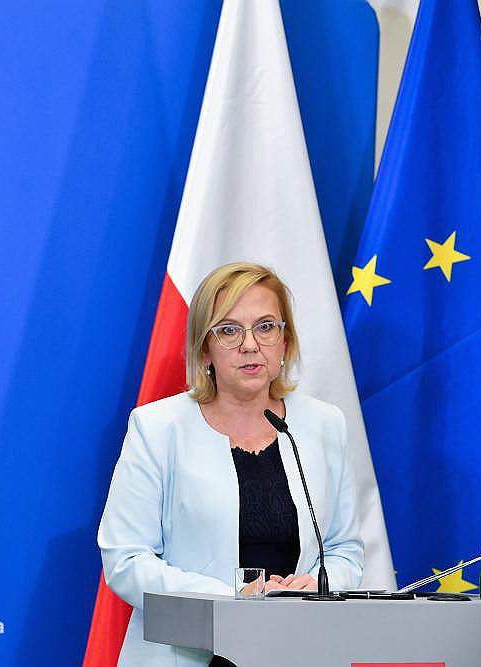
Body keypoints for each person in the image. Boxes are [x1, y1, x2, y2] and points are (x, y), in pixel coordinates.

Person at [98, 262, 363, 666]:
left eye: (266, 327)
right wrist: (231, 600)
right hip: (188, 653)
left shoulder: (324, 424)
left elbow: (345, 548)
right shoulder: (158, 428)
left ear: (285, 341)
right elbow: (126, 560)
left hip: (297, 650)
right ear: (205, 349)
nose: (250, 345)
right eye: (229, 330)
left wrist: (315, 587)